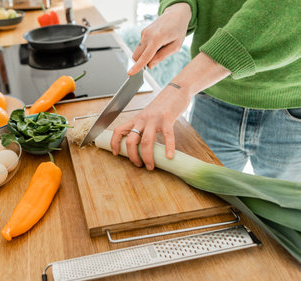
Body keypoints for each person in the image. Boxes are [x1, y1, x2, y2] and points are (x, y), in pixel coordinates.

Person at [110, 1, 301, 181]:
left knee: (277, 212)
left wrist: (180, 88)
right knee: (205, 202)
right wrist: (179, 7)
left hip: (291, 109)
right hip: (210, 97)